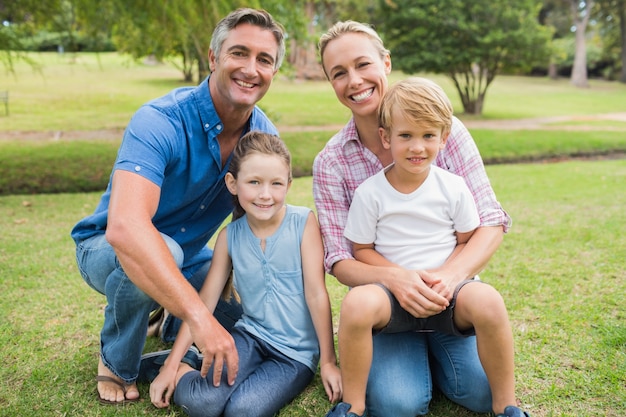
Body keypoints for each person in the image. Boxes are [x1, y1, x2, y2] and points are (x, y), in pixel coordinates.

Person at [70, 8, 286, 405]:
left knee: (244, 317)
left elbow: (256, 230)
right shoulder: (160, 120)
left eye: (264, 59)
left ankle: (168, 319)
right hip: (104, 248)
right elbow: (125, 229)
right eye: (239, 53)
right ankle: (117, 362)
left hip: (187, 258)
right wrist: (201, 320)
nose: (250, 69)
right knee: (159, 251)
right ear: (213, 58)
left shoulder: (262, 137)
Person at [313, 21, 515, 417]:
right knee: (396, 405)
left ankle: (452, 361)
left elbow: (489, 222)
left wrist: (449, 278)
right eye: (339, 73)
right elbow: (341, 257)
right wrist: (399, 280)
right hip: (388, 301)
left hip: (448, 293)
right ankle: (401, 366)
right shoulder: (332, 163)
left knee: (479, 393)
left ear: (385, 63)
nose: (354, 81)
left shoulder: (445, 129)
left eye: (362, 64)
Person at [139, 131, 342, 416]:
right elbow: (204, 304)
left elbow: (316, 294)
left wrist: (329, 361)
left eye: (276, 184)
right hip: (249, 337)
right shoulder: (229, 237)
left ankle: (200, 367)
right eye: (254, 182)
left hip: (294, 357)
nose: (265, 194)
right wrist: (171, 367)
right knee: (203, 404)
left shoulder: (303, 223)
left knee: (242, 411)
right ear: (233, 184)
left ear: (289, 184)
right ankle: (183, 365)